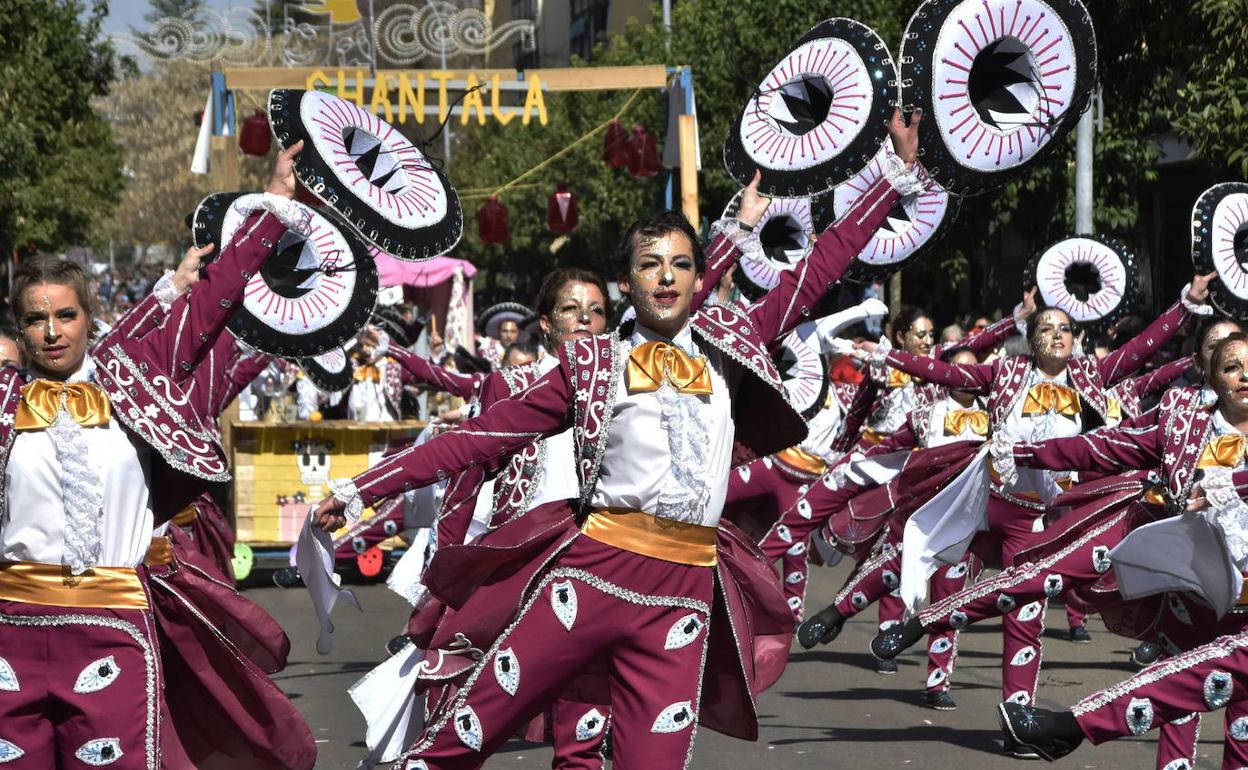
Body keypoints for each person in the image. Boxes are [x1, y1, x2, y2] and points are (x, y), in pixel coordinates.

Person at [315, 109, 926, 769]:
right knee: (458, 742)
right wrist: (357, 491)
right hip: (591, 576)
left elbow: (819, 266)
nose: (665, 277)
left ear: (699, 279)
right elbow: (476, 439)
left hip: (684, 595)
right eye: (649, 265)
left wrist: (892, 175)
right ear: (627, 283)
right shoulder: (591, 364)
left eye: (681, 265)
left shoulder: (732, 343)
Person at [0, 142, 310, 768]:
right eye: (36, 320)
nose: (52, 332)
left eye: (66, 315)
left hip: (113, 628)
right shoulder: (4, 400)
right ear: (20, 329)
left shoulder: (134, 378)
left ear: (89, 319)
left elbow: (213, 300)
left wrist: (273, 204)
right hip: (10, 633)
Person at [862, 280, 1212, 744]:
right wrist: (888, 357)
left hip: (1037, 517)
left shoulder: (1090, 375)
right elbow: (945, 373)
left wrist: (1185, 305)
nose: (1057, 335)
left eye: (1065, 328)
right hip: (988, 502)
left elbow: (1139, 350)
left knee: (1024, 608)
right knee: (924, 556)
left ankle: (1017, 716)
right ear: (1031, 340)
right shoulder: (1006, 372)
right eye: (1047, 328)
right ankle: (863, 613)